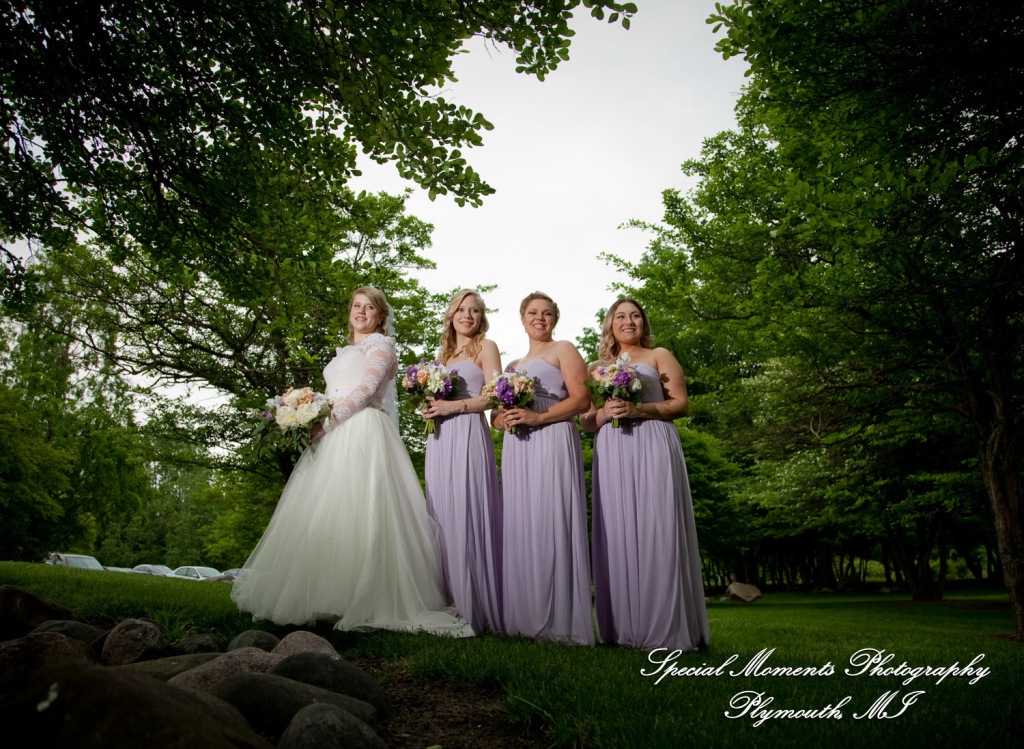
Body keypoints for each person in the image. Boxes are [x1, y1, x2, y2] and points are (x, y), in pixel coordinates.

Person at [231, 287, 471, 637]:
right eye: (356, 306)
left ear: (380, 316)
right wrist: (304, 409)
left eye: (369, 307)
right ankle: (325, 596)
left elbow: (365, 389)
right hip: (334, 434)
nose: (361, 312)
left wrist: (324, 423)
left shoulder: (381, 345)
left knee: (363, 512)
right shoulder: (347, 350)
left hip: (361, 431)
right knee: (328, 515)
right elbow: (337, 392)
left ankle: (365, 598)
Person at [579, 298, 709, 651]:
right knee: (619, 530)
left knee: (657, 527)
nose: (629, 321)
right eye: (621, 316)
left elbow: (680, 404)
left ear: (643, 323)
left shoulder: (659, 356)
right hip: (613, 451)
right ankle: (624, 627)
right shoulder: (596, 369)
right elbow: (586, 420)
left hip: (653, 442)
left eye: (635, 315)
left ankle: (667, 628)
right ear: (610, 325)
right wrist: (604, 416)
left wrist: (640, 410)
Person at [494, 291, 594, 645]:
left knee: (552, 519)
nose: (540, 318)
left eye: (547, 313)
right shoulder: (511, 366)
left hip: (552, 436)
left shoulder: (563, 349)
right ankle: (525, 617)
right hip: (518, 447)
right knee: (523, 522)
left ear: (555, 319)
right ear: (522, 319)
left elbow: (582, 399)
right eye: (533, 313)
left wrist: (538, 417)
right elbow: (494, 415)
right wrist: (503, 419)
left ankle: (560, 621)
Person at [420, 289, 504, 634]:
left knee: (467, 510)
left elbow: (496, 393)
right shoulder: (443, 354)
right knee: (440, 514)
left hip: (469, 433)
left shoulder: (486, 347)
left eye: (474, 310)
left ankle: (476, 606)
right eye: (461, 309)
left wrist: (455, 406)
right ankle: (448, 600)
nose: (467, 315)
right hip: (439, 439)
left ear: (480, 317)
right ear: (451, 314)